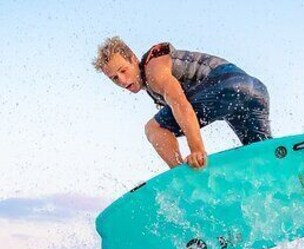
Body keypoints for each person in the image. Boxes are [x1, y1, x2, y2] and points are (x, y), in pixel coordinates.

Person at [93, 37, 271, 170]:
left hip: (227, 84)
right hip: (254, 90)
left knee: (154, 128)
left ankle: (183, 176)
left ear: (133, 58)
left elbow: (180, 104)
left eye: (123, 70)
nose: (123, 81)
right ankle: (289, 173)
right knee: (264, 154)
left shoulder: (154, 71)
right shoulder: (152, 80)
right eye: (114, 78)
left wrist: (197, 150)